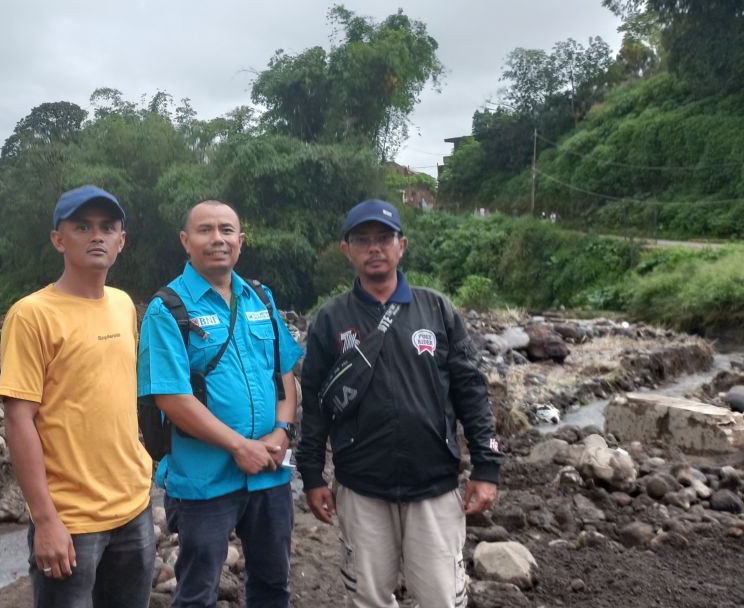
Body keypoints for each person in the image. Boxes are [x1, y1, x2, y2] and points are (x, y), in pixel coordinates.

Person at [297, 198, 503, 608]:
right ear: (347, 250)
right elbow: (316, 402)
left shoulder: (437, 309)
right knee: (370, 597)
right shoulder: (331, 318)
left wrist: (486, 466)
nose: (374, 248)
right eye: (363, 240)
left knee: (442, 598)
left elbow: (471, 389)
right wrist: (312, 475)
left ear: (402, 245)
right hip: (362, 486)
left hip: (434, 485)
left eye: (384, 238)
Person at [138, 199, 303, 608]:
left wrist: (281, 431)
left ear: (241, 241)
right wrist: (237, 446)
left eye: (227, 230)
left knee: (273, 585)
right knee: (197, 592)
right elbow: (172, 398)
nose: (218, 239)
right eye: (206, 230)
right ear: (186, 241)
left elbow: (284, 376)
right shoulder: (168, 309)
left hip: (269, 473)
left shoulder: (260, 299)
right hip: (204, 481)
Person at [0, 185, 155, 608]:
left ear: (121, 242)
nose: (97, 236)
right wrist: (45, 519)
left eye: (108, 227)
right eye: (82, 226)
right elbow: (19, 419)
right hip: (71, 521)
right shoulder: (32, 315)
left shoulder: (123, 305)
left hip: (133, 507)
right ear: (58, 239)